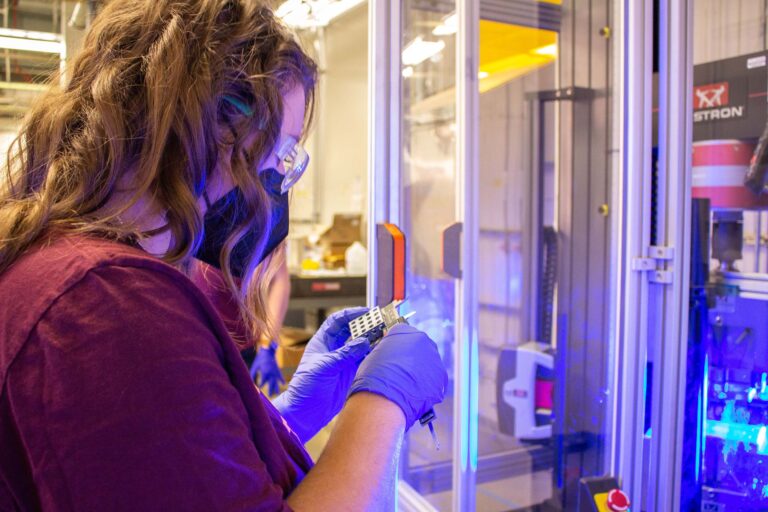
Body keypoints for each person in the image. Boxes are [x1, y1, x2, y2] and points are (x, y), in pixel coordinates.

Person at [0, 1, 447, 511]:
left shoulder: (68, 261)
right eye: (284, 154)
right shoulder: (104, 305)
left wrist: (290, 417)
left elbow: (172, 475)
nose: (279, 181)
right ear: (207, 125)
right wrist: (383, 406)